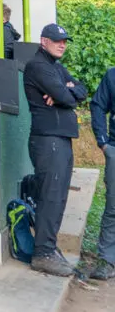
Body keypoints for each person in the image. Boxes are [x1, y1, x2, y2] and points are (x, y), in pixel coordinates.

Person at [21, 24, 88, 277]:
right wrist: (64, 92)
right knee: (50, 196)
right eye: (57, 41)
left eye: (64, 41)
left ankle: (48, 247)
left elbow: (79, 91)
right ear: (43, 41)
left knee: (58, 196)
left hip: (59, 138)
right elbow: (69, 98)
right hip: (48, 140)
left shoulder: (55, 67)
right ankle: (43, 254)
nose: (62, 44)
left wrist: (65, 90)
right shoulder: (38, 66)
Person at [89, 66, 115, 280]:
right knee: (113, 207)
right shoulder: (112, 75)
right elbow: (97, 105)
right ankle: (107, 261)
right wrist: (103, 141)